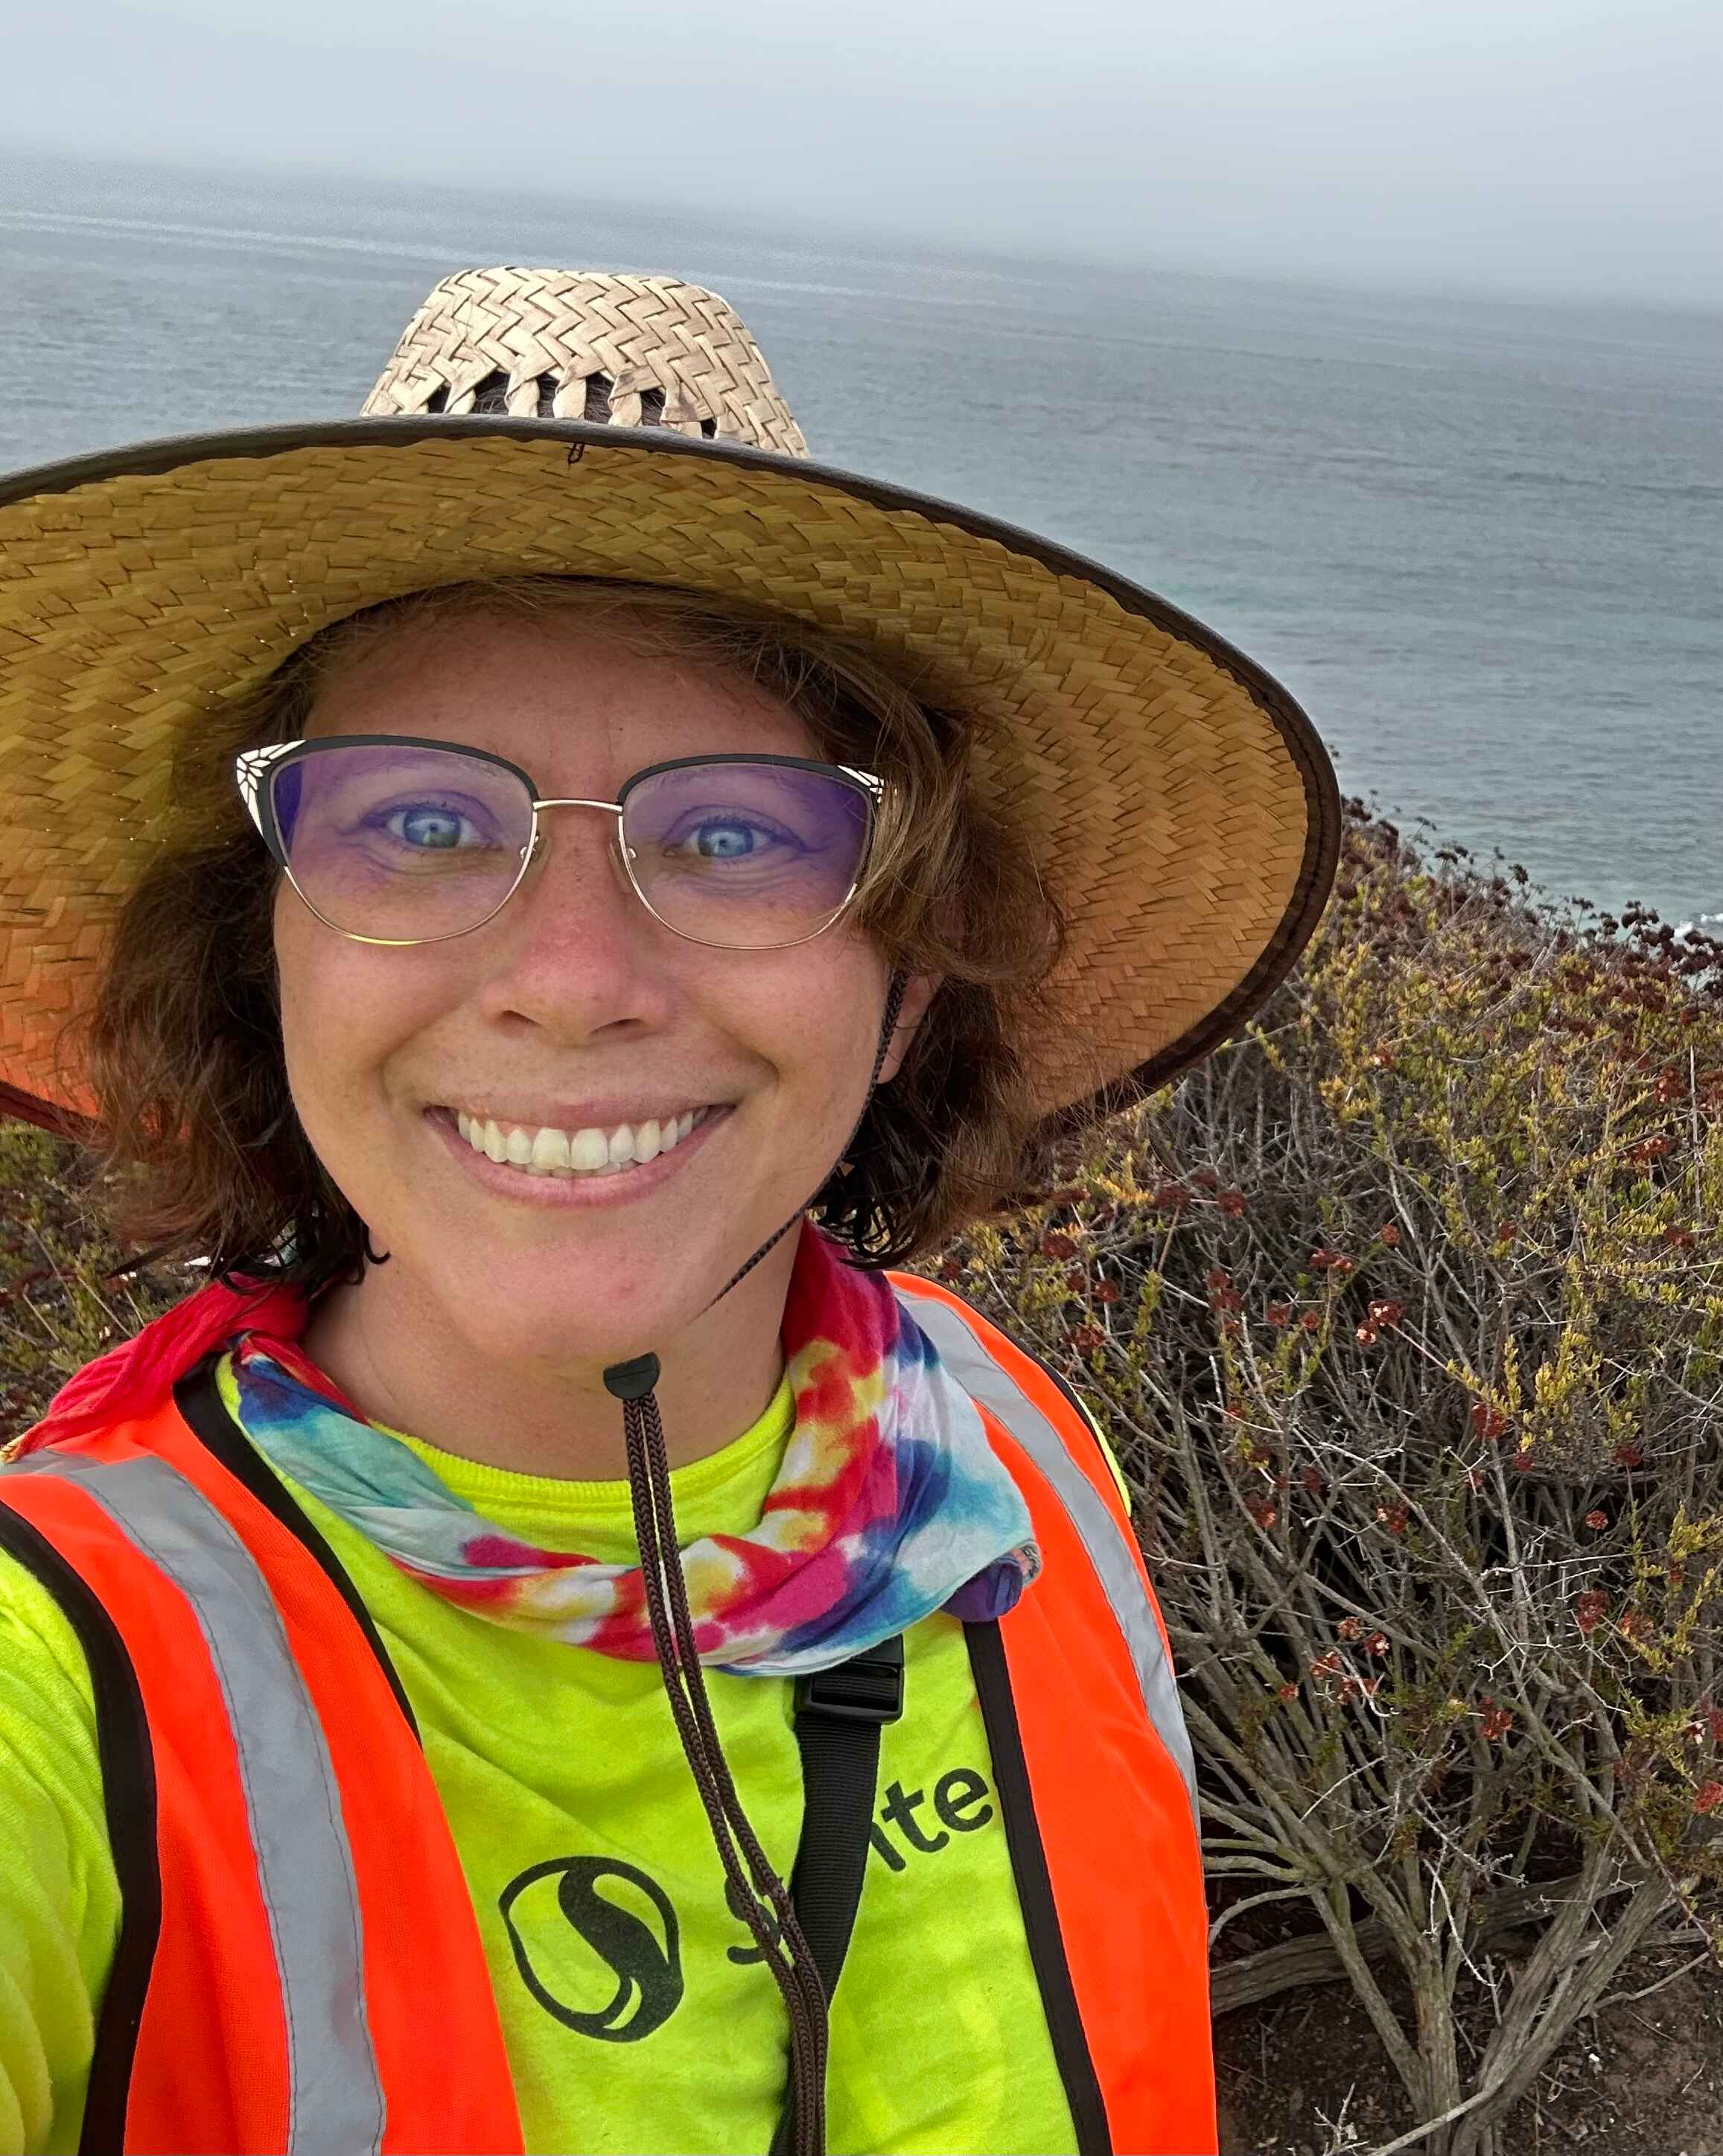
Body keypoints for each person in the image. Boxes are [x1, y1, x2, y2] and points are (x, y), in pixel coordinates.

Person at [0, 266, 1338, 2156]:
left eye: (731, 837)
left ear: (907, 988)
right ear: (261, 956)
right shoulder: (58, 1669)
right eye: (417, 823)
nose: (570, 981)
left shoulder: (1022, 1458)